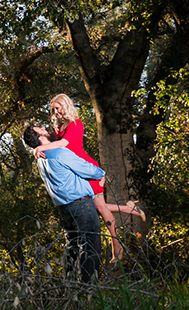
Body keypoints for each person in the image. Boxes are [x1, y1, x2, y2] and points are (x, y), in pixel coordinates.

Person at [33, 93, 145, 262]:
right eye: (53, 109)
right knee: (96, 205)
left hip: (88, 169)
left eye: (57, 108)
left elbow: (64, 145)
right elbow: (54, 149)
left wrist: (38, 149)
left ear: (65, 106)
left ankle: (117, 248)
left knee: (100, 208)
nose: (55, 112)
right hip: (76, 171)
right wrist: (37, 147)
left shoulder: (76, 124)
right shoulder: (58, 129)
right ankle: (131, 209)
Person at [22, 125, 104, 283]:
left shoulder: (40, 160)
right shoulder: (60, 152)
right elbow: (87, 170)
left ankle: (71, 286)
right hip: (81, 205)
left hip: (64, 209)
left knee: (72, 246)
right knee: (90, 247)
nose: (45, 128)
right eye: (41, 128)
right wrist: (101, 173)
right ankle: (90, 290)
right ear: (40, 138)